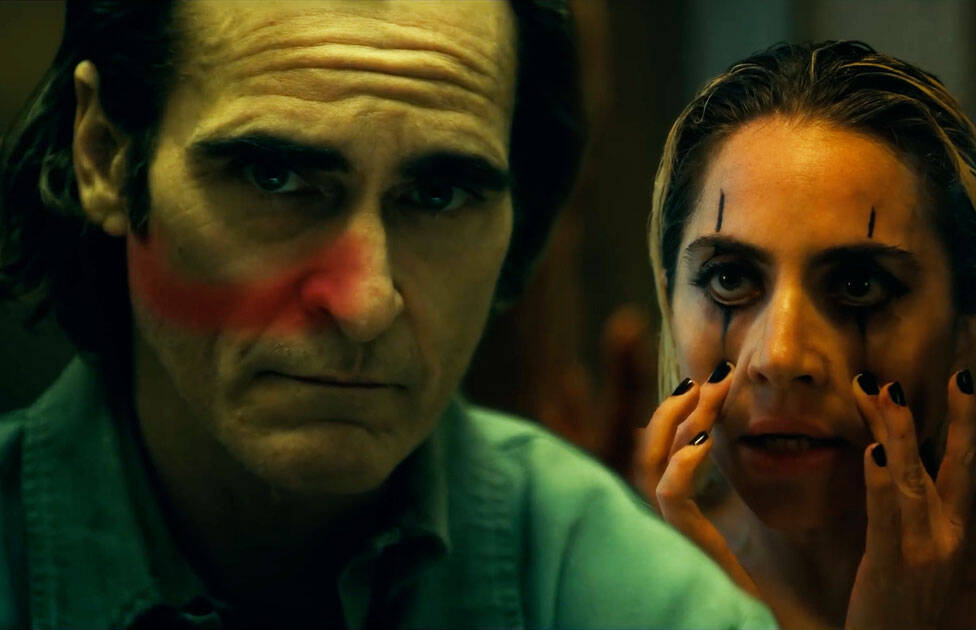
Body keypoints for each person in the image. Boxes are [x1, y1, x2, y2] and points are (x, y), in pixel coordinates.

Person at [0, 2, 776, 628]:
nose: (365, 303)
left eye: (438, 195)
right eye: (274, 179)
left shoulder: (640, 599)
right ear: (103, 152)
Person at [637, 41, 976, 630]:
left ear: (968, 321)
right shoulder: (610, 591)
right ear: (669, 299)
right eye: (730, 279)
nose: (780, 356)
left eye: (858, 284)